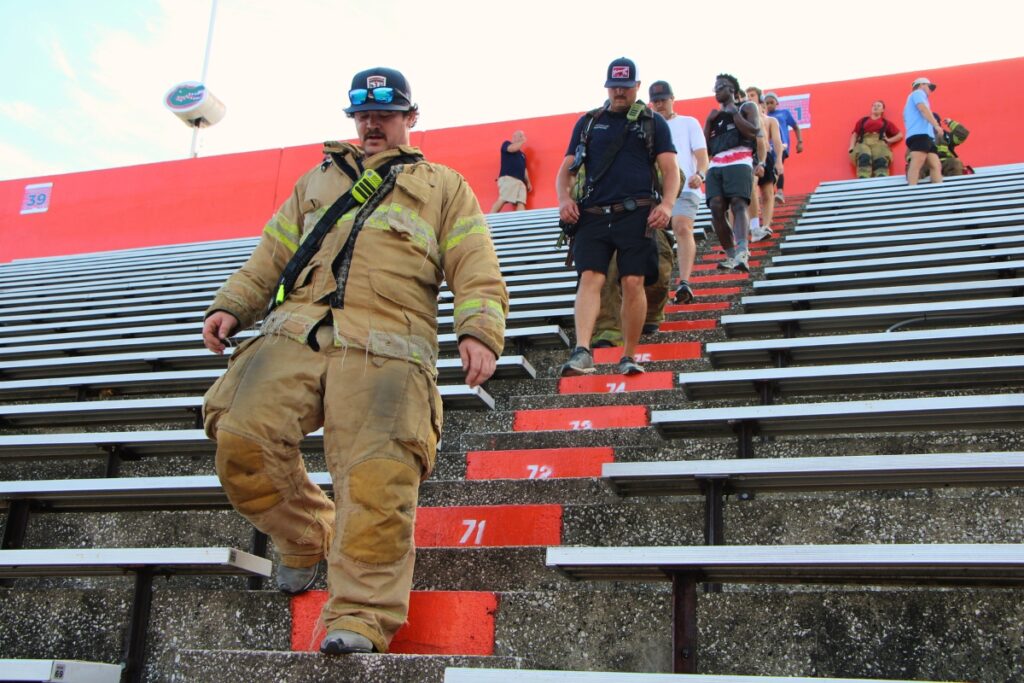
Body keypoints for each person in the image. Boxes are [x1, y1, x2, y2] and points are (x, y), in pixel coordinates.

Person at [201, 67, 508, 656]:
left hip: (389, 345)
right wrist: (234, 304)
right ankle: (306, 532)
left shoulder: (444, 184)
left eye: (385, 114)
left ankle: (361, 618)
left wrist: (479, 332)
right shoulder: (315, 182)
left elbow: (475, 264)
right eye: (363, 115)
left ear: (410, 119)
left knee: (378, 483)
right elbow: (272, 253)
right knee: (241, 439)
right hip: (296, 330)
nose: (371, 123)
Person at [555, 57, 679, 377]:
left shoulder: (653, 122)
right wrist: (565, 199)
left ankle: (629, 354)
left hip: (636, 213)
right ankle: (582, 350)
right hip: (593, 213)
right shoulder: (589, 122)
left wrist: (666, 205)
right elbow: (567, 169)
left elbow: (669, 169)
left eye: (625, 87)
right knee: (590, 278)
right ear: (607, 87)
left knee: (633, 281)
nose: (619, 93)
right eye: (614, 87)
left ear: (637, 87)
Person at [704, 73, 764, 273]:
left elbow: (753, 131)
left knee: (739, 203)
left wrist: (734, 113)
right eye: (715, 87)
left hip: (740, 161)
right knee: (715, 207)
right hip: (716, 164)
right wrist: (708, 123)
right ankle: (731, 255)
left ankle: (742, 251)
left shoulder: (746, 107)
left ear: (732, 89)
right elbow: (706, 148)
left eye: (721, 86)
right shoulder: (714, 115)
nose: (717, 90)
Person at [746, 86, 783, 242]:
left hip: (766, 155)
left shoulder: (770, 120)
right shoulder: (744, 117)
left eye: (752, 95)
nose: (749, 98)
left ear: (759, 98)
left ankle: (766, 225)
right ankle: (753, 225)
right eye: (747, 95)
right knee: (751, 190)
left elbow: (777, 141)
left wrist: (779, 160)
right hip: (750, 156)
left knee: (768, 193)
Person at [903, 76, 945, 186]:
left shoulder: (911, 100)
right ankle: (912, 191)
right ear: (921, 85)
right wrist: (936, 125)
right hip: (919, 134)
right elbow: (923, 109)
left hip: (925, 136)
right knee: (917, 163)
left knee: (935, 165)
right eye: (929, 86)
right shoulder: (918, 93)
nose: (930, 90)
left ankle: (939, 190)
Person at [764, 92, 803, 203]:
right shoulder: (764, 117)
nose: (769, 105)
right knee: (770, 170)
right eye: (767, 103)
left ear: (777, 103)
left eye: (771, 102)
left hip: (782, 145)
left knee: (778, 165)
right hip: (768, 147)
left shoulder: (784, 113)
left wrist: (800, 141)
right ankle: (771, 193)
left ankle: (780, 191)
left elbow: (795, 126)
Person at [848, 100, 903, 178]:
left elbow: (900, 135)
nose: (876, 107)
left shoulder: (886, 122)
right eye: (874, 105)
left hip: (879, 142)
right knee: (864, 156)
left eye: (878, 106)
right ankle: (863, 176)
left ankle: (881, 176)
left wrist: (889, 140)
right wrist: (851, 147)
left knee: (881, 157)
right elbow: (855, 134)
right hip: (863, 142)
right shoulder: (863, 121)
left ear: (882, 110)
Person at [490, 130, 532, 212]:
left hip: (520, 182)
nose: (522, 138)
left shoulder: (522, 155)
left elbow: (524, 169)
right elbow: (512, 149)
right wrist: (523, 141)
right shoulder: (506, 144)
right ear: (514, 137)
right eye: (520, 136)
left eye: (522, 136)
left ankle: (521, 221)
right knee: (503, 198)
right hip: (509, 178)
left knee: (521, 202)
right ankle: (489, 219)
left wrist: (528, 182)